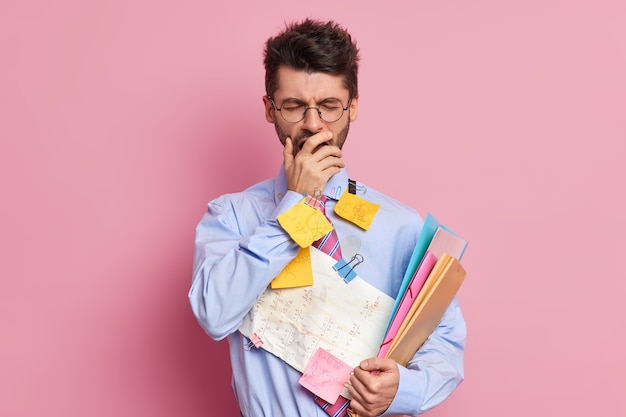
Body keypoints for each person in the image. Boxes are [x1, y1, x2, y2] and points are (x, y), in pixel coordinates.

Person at [189, 19, 466, 417]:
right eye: (294, 106)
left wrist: (403, 389)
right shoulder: (231, 217)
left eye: (329, 106)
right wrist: (295, 207)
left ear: (353, 105)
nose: (313, 124)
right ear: (270, 109)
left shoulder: (401, 226)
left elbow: (444, 341)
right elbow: (214, 314)